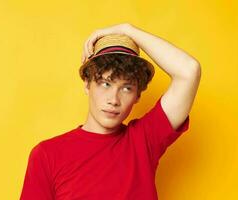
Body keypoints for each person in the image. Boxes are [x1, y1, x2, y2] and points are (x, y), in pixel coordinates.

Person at [19, 23, 201, 200]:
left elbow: (189, 71)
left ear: (138, 95)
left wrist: (127, 29)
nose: (113, 99)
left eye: (127, 88)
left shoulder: (143, 140)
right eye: (105, 84)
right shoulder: (47, 155)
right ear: (87, 85)